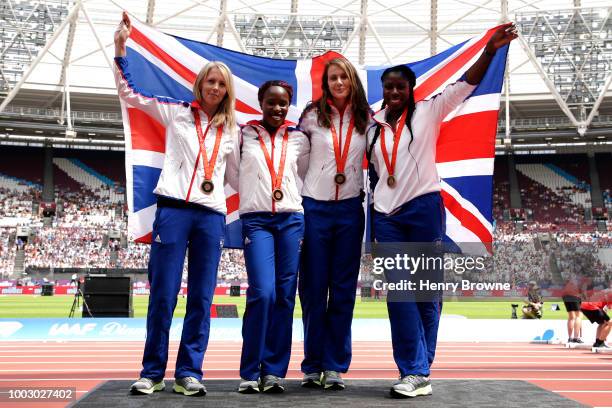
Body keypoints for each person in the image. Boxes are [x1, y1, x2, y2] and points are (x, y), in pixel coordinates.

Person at [367, 23, 517, 398]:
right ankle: (414, 370)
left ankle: (421, 369)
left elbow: (466, 84)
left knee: (425, 294)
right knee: (399, 294)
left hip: (422, 209)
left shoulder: (430, 111)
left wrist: (490, 51)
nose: (395, 92)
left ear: (410, 89)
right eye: (389, 87)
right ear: (383, 91)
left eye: (401, 86)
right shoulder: (370, 127)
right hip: (385, 215)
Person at [114, 12, 238, 397]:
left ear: (227, 90)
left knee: (201, 298)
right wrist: (121, 51)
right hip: (172, 210)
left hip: (210, 217)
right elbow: (130, 94)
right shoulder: (175, 113)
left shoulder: (233, 130)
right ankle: (152, 372)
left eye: (221, 83)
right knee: (163, 294)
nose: (214, 87)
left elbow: (238, 177)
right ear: (200, 85)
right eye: (210, 81)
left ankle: (189, 371)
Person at [229, 80, 310, 394]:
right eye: (271, 102)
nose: (277, 108)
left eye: (283, 104)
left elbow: (303, 173)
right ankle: (250, 371)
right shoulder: (244, 135)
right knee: (263, 293)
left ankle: (274, 371)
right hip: (256, 221)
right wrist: (254, 196)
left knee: (285, 297)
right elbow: (234, 174)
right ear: (261, 102)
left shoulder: (299, 139)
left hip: (291, 219)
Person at [297, 58, 370, 390]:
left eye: (343, 77)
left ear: (352, 80)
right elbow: (296, 159)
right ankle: (312, 364)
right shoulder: (311, 116)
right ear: (325, 84)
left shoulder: (367, 118)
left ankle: (335, 365)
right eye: (332, 78)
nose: (338, 82)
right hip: (315, 208)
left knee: (342, 292)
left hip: (350, 210)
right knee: (313, 290)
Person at [562, 273, 586, 343]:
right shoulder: (580, 278)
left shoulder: (570, 278)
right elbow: (583, 291)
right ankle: (576, 337)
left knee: (571, 317)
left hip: (566, 296)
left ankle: (570, 338)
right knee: (579, 316)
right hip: (575, 296)